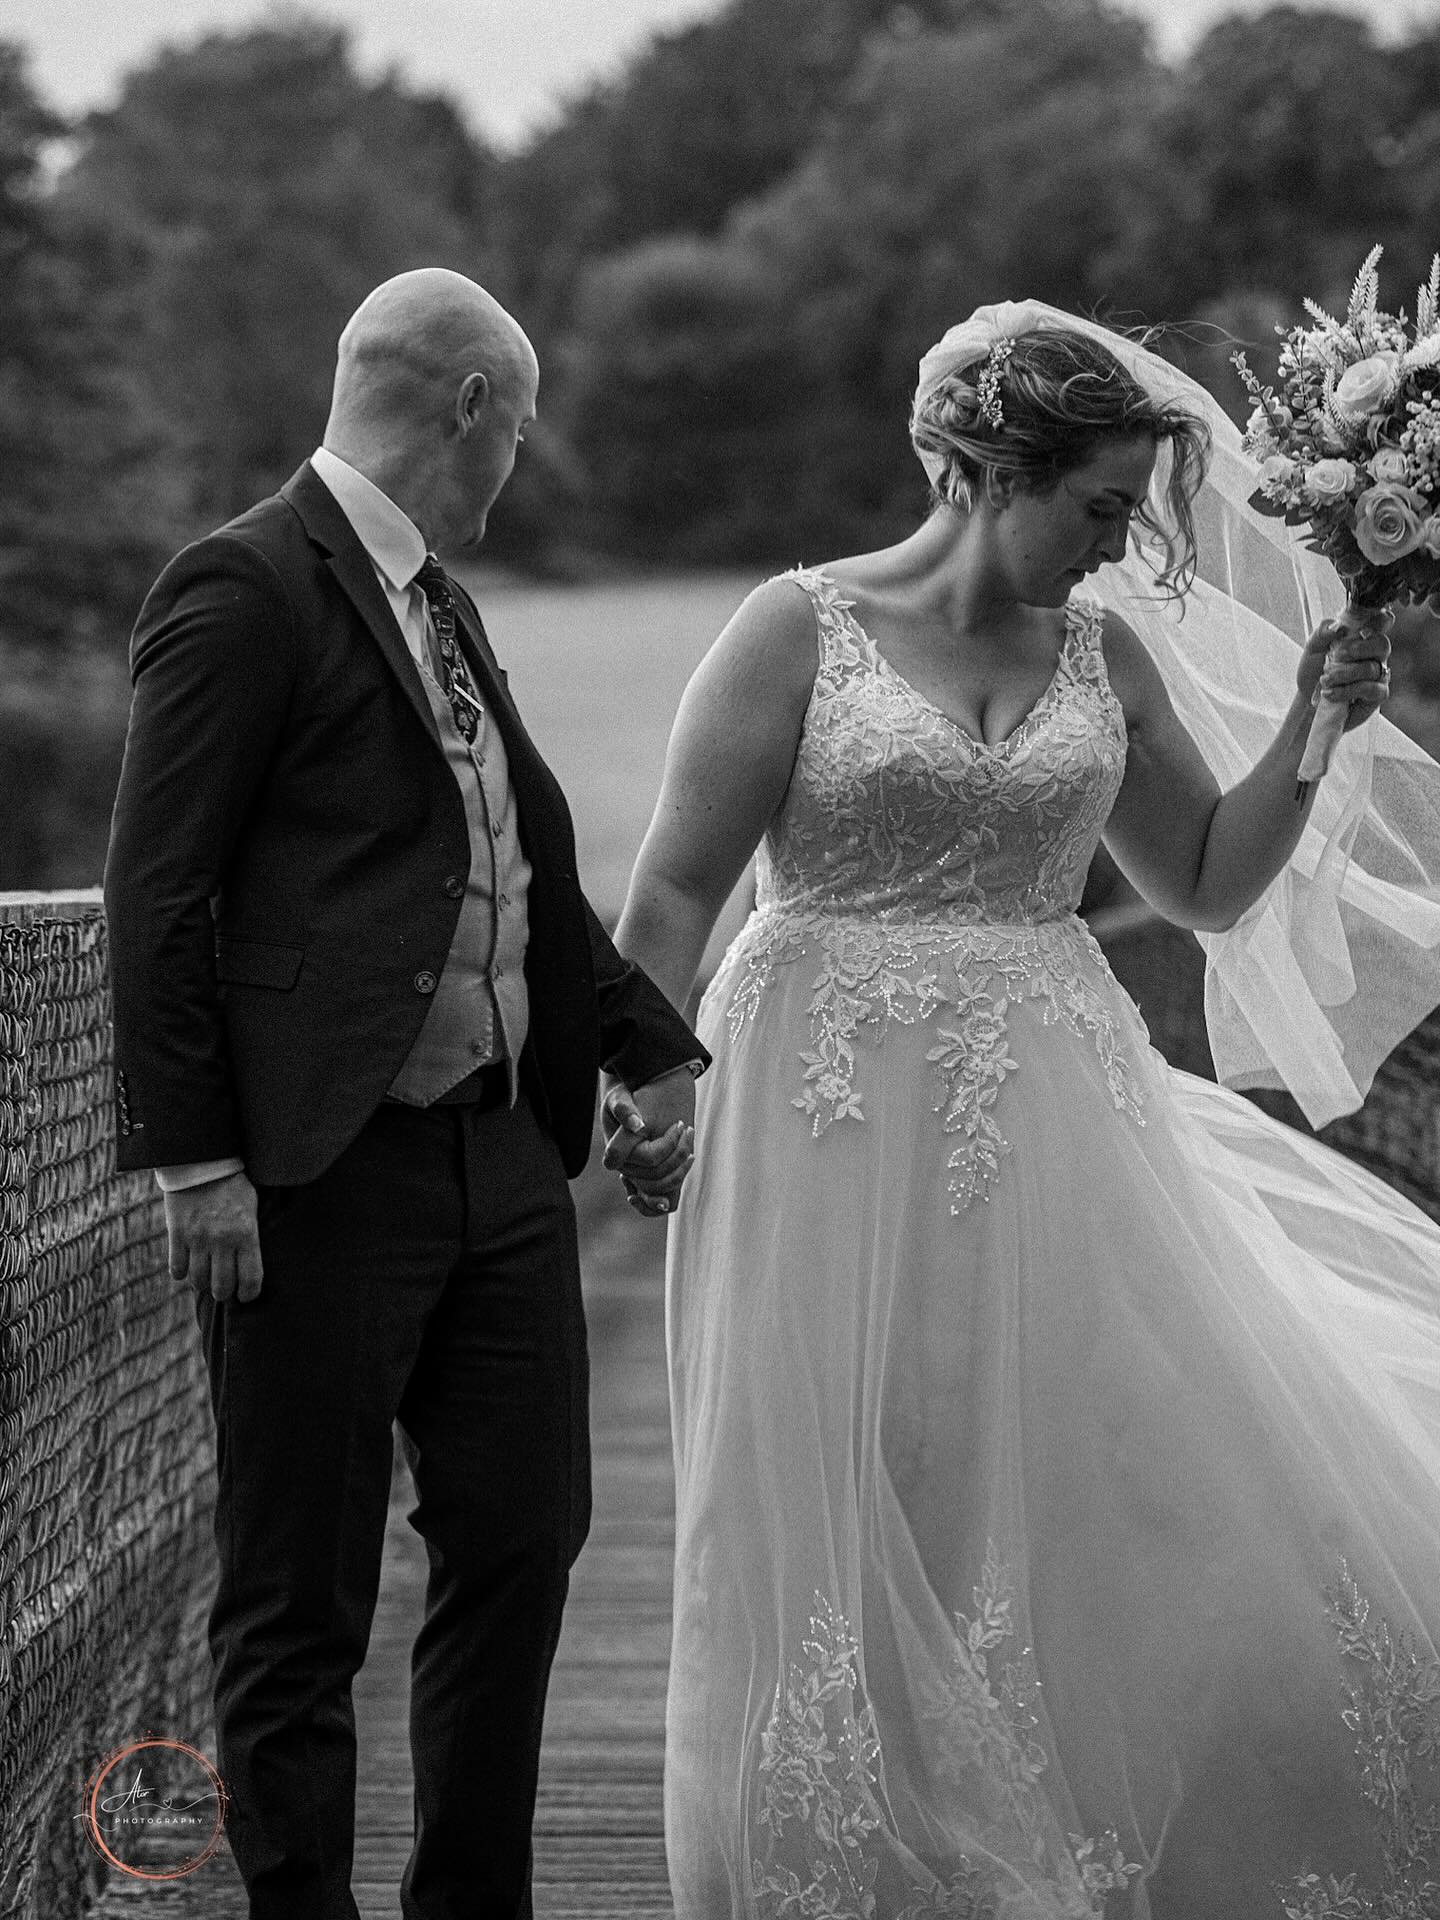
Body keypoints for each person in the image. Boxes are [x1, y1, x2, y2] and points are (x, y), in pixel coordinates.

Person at [613, 303, 1440, 1918]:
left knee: (1079, 1474)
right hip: (815, 1106)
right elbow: (670, 892)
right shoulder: (796, 631)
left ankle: (1050, 1839)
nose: (1123, 544)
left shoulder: (1101, 658)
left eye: (1136, 509)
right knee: (857, 1478)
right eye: (1101, 507)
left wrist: (1314, 720)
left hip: (1055, 1110)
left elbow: (1204, 884)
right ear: (990, 472)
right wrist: (651, 1085)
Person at [103, 267, 704, 1920]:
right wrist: (195, 1165)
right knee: (296, 1599)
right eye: (521, 426)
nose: (522, 462)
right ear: (473, 407)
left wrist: (652, 1039)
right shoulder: (240, 588)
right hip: (312, 1175)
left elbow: (507, 870)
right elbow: (154, 898)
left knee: (523, 1541)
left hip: (502, 1166)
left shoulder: (442, 603)